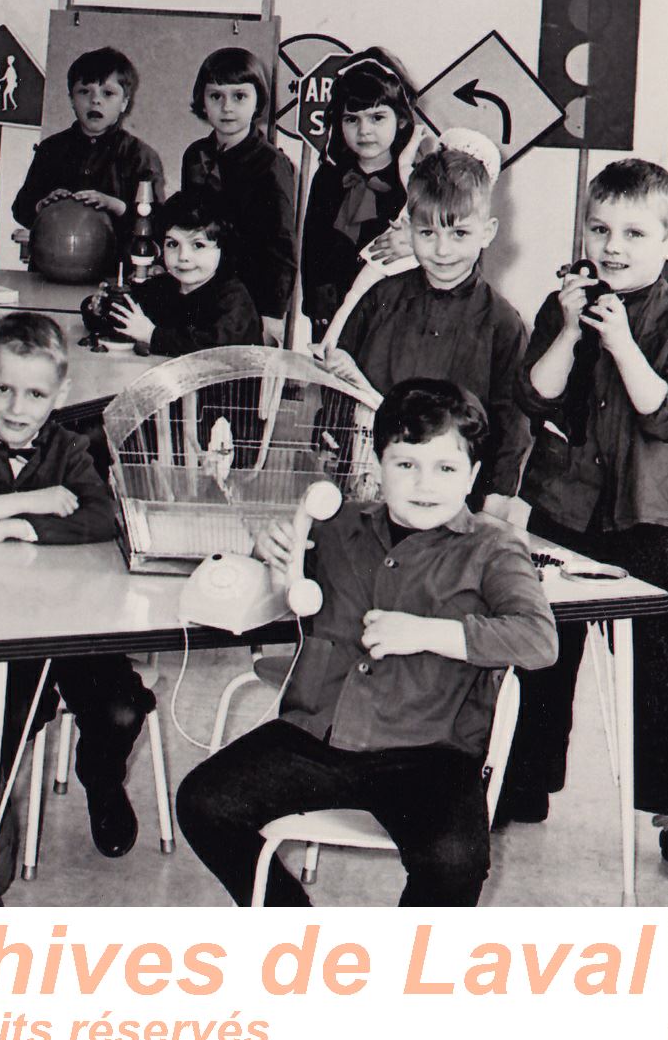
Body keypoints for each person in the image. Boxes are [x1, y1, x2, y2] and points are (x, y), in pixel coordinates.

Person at [177, 380, 557, 907]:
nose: (424, 484)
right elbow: (290, 584)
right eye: (405, 465)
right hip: (317, 735)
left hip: (429, 753)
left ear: (472, 475)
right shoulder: (337, 524)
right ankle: (295, 938)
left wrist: (425, 633)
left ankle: (404, 979)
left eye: (445, 469)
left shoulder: (494, 548)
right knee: (203, 802)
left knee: (455, 860)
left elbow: (539, 639)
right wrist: (267, 548)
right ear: (378, 465)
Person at [498, 160, 668, 888]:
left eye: (633, 233)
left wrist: (619, 339)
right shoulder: (570, 303)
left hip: (652, 509)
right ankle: (524, 776)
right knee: (541, 640)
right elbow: (532, 395)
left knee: (665, 660)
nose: (613, 246)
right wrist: (568, 327)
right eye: (600, 228)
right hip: (567, 501)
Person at [0, 313, 149, 861]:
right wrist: (27, 500)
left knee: (118, 711)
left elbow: (101, 517)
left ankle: (102, 779)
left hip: (72, 624)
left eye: (36, 394)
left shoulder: (68, 449)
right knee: (3, 721)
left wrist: (16, 528)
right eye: (3, 390)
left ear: (61, 393)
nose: (18, 409)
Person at [319, 147, 531, 506]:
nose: (443, 250)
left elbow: (512, 427)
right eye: (428, 233)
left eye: (459, 234)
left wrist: (495, 504)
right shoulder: (379, 299)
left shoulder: (503, 323)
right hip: (371, 491)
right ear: (409, 229)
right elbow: (336, 396)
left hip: (456, 502)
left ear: (488, 231)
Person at [298, 51, 417, 327]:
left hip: (391, 315)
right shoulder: (328, 177)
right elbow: (312, 247)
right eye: (352, 119)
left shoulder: (413, 180)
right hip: (332, 312)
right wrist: (317, 309)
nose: (364, 130)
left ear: (400, 120)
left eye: (377, 118)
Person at [11, 47, 168, 256]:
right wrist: (43, 204)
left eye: (108, 93)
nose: (95, 100)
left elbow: (157, 222)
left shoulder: (140, 156)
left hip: (115, 269)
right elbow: (21, 208)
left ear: (124, 103)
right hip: (53, 265)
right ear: (71, 101)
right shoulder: (51, 148)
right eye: (84, 91)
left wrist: (114, 205)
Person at [180, 47, 296, 326]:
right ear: (202, 101)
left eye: (239, 96)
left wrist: (271, 316)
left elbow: (281, 248)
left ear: (258, 102)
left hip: (251, 298)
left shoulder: (272, 163)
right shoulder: (195, 154)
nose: (227, 107)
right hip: (200, 288)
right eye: (216, 96)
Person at [104, 187, 263, 355]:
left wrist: (152, 335)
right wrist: (100, 307)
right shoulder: (163, 286)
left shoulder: (234, 299)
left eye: (198, 245)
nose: (183, 256)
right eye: (172, 244)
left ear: (223, 249)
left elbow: (212, 349)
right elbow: (127, 314)